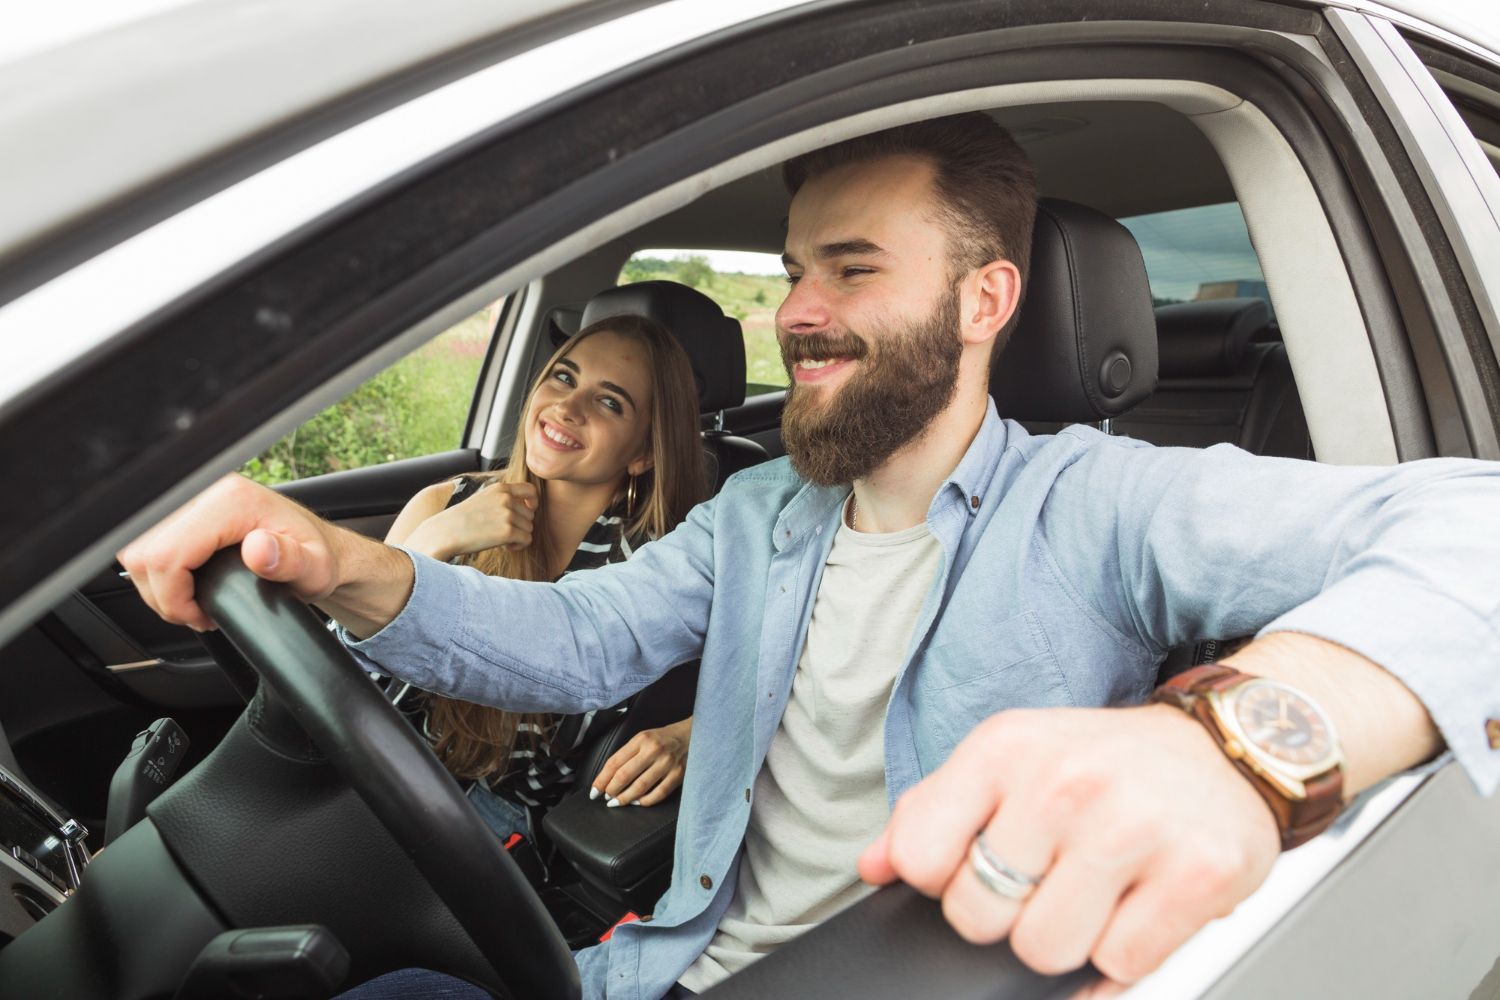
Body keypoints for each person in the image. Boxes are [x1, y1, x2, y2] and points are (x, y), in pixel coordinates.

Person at [118, 112, 1500, 999]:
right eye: (793, 271)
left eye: (851, 269)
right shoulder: (764, 511)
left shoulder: (1103, 503)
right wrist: (337, 561)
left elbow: (1474, 527)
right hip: (671, 964)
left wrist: (1229, 748)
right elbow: (577, 641)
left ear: (985, 299)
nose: (797, 312)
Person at [378, 313, 705, 848]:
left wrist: (693, 735)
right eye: (564, 377)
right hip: (390, 773)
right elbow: (351, 683)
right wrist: (433, 545)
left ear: (644, 452)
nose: (567, 407)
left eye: (609, 402)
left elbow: (764, 679)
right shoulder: (442, 505)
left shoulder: (663, 569)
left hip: (514, 826)